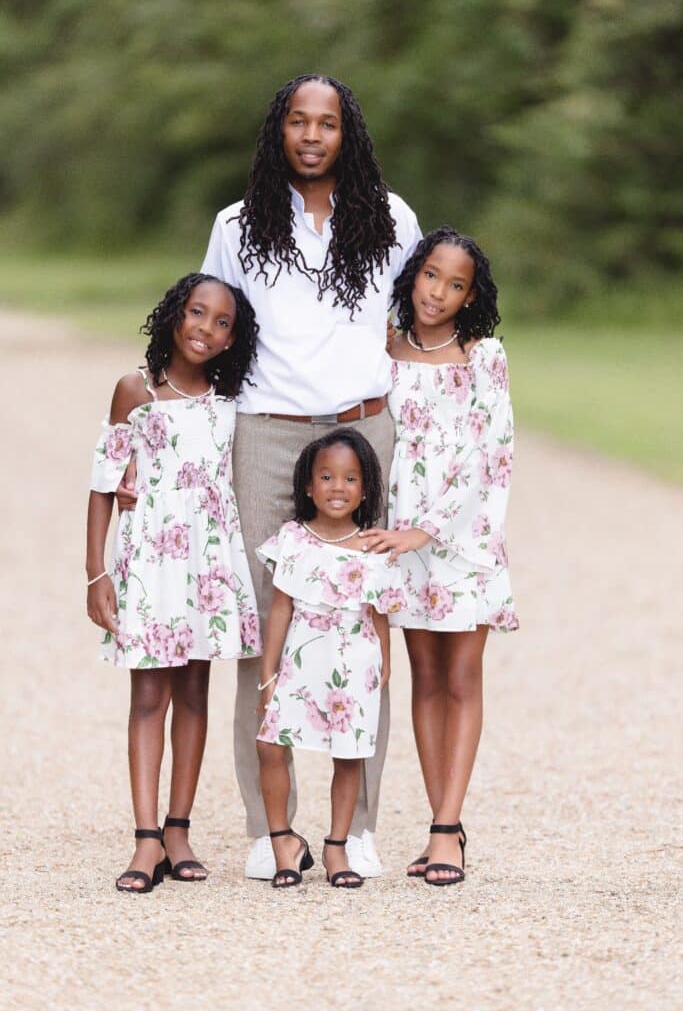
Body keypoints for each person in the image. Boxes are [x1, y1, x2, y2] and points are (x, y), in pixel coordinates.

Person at [199, 73, 421, 879]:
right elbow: (212, 326)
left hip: (361, 428)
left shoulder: (391, 218)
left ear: (346, 133)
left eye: (326, 122)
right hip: (265, 431)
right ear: (280, 131)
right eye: (298, 120)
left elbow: (414, 322)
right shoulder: (236, 223)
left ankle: (352, 828)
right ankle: (270, 829)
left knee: (360, 618)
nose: (312, 135)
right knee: (268, 627)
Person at [87, 272, 261, 892]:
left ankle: (178, 828)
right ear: (173, 314)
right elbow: (105, 483)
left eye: (222, 323)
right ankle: (144, 840)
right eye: (196, 313)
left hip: (206, 567)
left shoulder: (231, 396)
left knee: (193, 694)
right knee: (147, 699)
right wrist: (96, 573)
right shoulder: (135, 390)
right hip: (150, 565)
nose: (205, 329)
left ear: (232, 339)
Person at [360, 227, 519, 886]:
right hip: (399, 542)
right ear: (413, 274)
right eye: (431, 276)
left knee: (461, 676)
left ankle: (447, 827)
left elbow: (491, 455)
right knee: (423, 677)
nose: (438, 292)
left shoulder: (482, 356)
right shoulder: (382, 351)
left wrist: (428, 530)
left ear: (469, 295)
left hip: (462, 538)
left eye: (455, 285)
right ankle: (438, 822)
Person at [255, 429, 405, 888]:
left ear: (365, 489)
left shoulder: (374, 549)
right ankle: (283, 840)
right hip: (301, 663)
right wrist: (268, 671)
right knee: (270, 746)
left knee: (349, 756)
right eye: (326, 477)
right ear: (307, 485)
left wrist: (385, 662)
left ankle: (337, 846)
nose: (338, 488)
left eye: (350, 479)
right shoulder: (293, 540)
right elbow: (281, 606)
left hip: (354, 666)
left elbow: (379, 614)